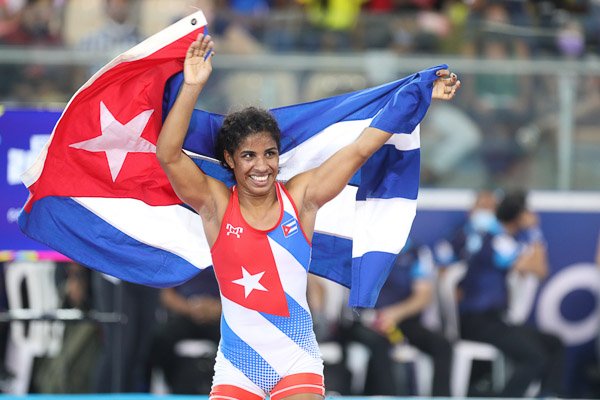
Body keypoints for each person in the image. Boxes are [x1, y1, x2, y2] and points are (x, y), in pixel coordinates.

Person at [156, 33, 460, 400]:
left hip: (296, 361)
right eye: (248, 156)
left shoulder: (300, 199)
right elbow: (169, 155)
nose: (262, 165)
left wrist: (418, 97)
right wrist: (192, 86)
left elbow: (362, 146)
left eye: (269, 153)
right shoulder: (216, 204)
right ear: (230, 160)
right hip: (238, 367)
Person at [457, 190, 566, 397]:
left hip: (496, 320)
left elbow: (540, 270)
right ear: (519, 215)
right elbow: (539, 269)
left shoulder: (505, 239)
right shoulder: (497, 240)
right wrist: (534, 231)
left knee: (554, 342)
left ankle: (550, 395)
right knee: (535, 357)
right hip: (479, 321)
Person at [343, 241, 452, 396]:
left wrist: (394, 314)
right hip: (365, 321)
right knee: (380, 345)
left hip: (402, 320)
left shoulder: (416, 253)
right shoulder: (362, 249)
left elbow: (423, 295)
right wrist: (373, 316)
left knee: (442, 345)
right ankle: (387, 396)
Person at [150, 268, 221, 394]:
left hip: (219, 316)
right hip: (184, 313)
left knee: (236, 344)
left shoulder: (224, 255)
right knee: (159, 340)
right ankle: (170, 384)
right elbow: (165, 294)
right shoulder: (180, 252)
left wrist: (217, 308)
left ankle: (224, 385)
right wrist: (190, 308)